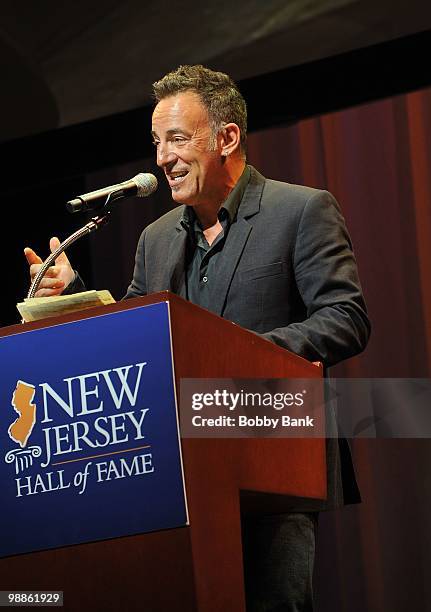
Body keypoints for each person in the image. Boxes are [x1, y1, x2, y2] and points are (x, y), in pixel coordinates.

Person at [25, 64, 370, 611]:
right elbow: (137, 341)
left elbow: (345, 318)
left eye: (178, 139)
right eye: (158, 143)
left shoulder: (300, 210)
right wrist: (75, 294)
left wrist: (245, 355)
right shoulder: (156, 239)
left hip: (271, 462)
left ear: (227, 137)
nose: (162, 158)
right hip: (179, 475)